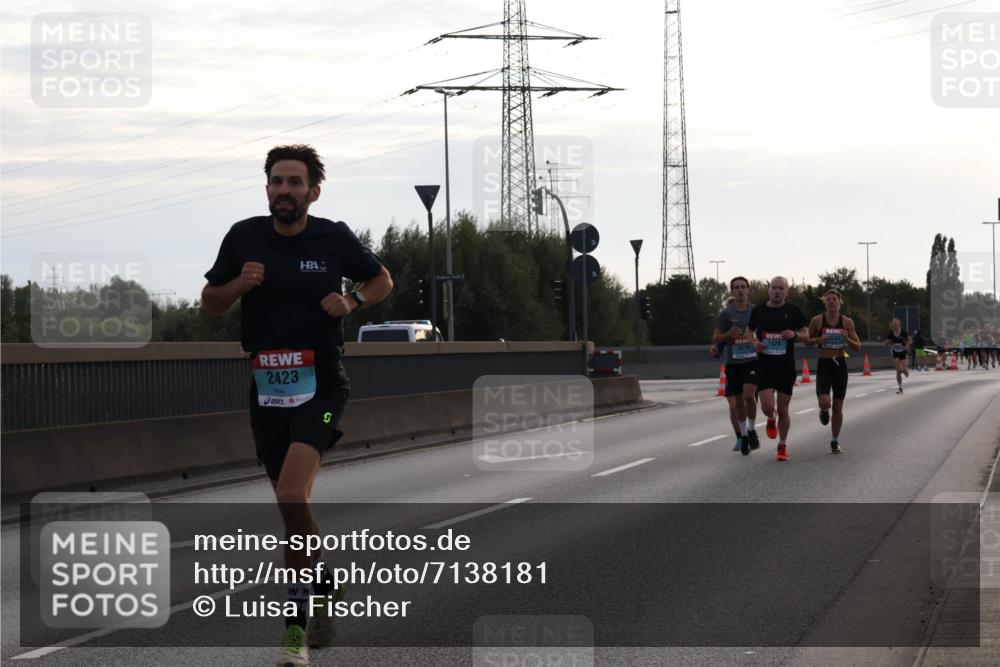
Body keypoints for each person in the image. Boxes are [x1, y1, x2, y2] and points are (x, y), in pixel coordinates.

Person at [201, 144, 393, 666]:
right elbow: (209, 304)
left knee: (291, 492)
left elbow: (382, 280)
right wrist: (240, 284)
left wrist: (352, 300)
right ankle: (325, 582)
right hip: (266, 386)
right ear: (267, 188)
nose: (284, 191)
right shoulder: (244, 237)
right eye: (276, 182)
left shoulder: (333, 236)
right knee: (293, 511)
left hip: (322, 381)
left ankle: (294, 634)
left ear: (313, 190)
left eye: (294, 182)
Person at [744, 277, 809, 462]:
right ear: (769, 290)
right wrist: (755, 342)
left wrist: (795, 334)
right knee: (767, 407)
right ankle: (770, 418)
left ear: (786, 291)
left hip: (786, 367)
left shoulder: (793, 310)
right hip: (764, 366)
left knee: (783, 408)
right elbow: (748, 331)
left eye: (781, 288)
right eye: (774, 288)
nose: (777, 291)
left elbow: (807, 334)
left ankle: (782, 445)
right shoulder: (759, 310)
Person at [807, 290, 862, 454]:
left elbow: (857, 346)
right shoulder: (817, 321)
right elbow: (807, 341)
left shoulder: (847, 322)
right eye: (828, 300)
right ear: (825, 302)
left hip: (840, 365)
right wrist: (817, 340)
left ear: (840, 302)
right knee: (825, 402)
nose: (831, 302)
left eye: (834, 300)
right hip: (824, 364)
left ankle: (834, 440)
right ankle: (824, 411)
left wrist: (847, 339)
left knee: (838, 407)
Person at [712, 278, 760, 455]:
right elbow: (717, 337)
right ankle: (744, 435)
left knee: (749, 396)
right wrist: (727, 335)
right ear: (732, 291)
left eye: (743, 287)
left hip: (752, 360)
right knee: (738, 401)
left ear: (748, 290)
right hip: (733, 363)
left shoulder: (756, 312)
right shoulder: (725, 314)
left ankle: (752, 428)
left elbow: (764, 332)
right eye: (736, 288)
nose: (740, 290)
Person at [884, 319, 912, 393]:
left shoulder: (903, 332)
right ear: (892, 325)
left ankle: (906, 372)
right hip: (895, 352)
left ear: (899, 324)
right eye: (894, 323)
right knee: (898, 371)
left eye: (896, 323)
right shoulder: (891, 333)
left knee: (904, 370)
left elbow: (910, 340)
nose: (895, 325)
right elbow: (886, 343)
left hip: (903, 352)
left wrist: (906, 346)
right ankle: (900, 387)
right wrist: (888, 343)